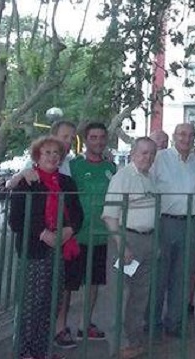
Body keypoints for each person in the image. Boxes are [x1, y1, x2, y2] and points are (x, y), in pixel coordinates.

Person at [9, 136, 84, 359]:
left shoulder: (66, 182)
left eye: (56, 153)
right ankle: (24, 352)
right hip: (34, 250)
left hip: (60, 249)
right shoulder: (27, 181)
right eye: (47, 152)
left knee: (52, 302)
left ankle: (42, 351)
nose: (52, 157)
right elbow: (16, 219)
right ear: (37, 156)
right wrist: (43, 234)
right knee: (31, 304)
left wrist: (69, 230)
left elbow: (78, 214)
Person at [101, 137, 158, 359]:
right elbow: (109, 214)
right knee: (119, 294)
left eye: (152, 154)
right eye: (143, 153)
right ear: (133, 153)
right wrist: (121, 243)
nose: (148, 157)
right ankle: (118, 343)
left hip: (147, 241)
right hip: (126, 240)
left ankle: (133, 339)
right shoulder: (123, 177)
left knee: (139, 294)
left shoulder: (150, 178)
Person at [58, 122, 115, 346]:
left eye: (102, 137)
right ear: (86, 140)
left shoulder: (112, 168)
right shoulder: (73, 166)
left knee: (94, 283)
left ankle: (84, 324)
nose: (98, 141)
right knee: (68, 285)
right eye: (93, 137)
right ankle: (61, 328)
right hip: (76, 234)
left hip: (102, 235)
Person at [151, 123, 195, 337]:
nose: (186, 138)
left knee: (182, 277)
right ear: (174, 136)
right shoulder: (160, 158)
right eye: (182, 134)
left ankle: (174, 323)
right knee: (159, 276)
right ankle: (152, 324)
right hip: (164, 222)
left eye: (191, 135)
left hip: (190, 223)